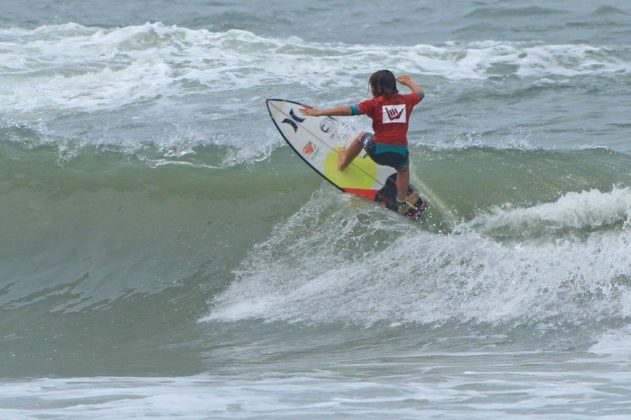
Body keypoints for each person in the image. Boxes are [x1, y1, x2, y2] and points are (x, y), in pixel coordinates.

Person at [300, 70, 425, 213]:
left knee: (361, 136)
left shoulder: (374, 104)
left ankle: (343, 163)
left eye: (371, 87)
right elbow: (421, 93)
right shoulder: (407, 100)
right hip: (399, 154)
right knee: (403, 170)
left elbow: (347, 110)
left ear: (378, 89)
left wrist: (319, 112)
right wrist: (408, 81)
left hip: (377, 151)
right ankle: (401, 202)